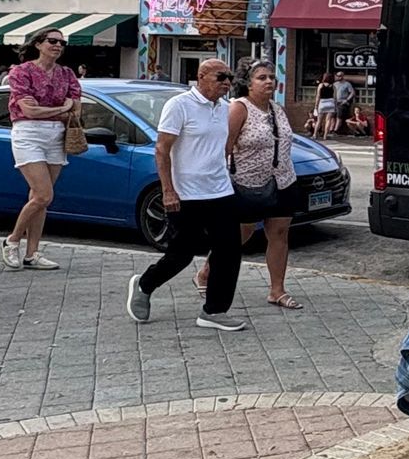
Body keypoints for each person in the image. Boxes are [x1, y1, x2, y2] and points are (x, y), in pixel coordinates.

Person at [125, 57, 246, 333]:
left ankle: (214, 311)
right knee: (182, 253)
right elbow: (162, 149)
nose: (227, 83)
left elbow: (222, 147)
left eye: (229, 78)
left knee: (229, 250)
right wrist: (168, 190)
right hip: (187, 193)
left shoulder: (224, 108)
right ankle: (145, 284)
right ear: (201, 77)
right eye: (221, 77)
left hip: (219, 190)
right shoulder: (179, 105)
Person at [2, 27, 83, 270]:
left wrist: (57, 110)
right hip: (28, 134)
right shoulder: (21, 72)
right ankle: (12, 240)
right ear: (38, 44)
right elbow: (28, 111)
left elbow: (77, 110)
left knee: (39, 198)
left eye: (62, 42)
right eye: (52, 41)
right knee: (43, 194)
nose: (58, 45)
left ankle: (32, 253)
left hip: (56, 136)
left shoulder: (67, 74)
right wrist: (61, 108)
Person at [226, 61, 300, 310]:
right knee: (242, 233)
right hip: (249, 182)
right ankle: (208, 272)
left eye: (271, 77)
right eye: (261, 78)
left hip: (283, 180)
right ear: (248, 83)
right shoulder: (239, 108)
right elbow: (225, 147)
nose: (269, 81)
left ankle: (277, 290)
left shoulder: (277, 109)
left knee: (279, 234)